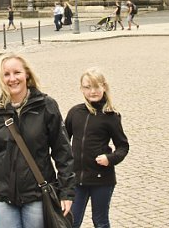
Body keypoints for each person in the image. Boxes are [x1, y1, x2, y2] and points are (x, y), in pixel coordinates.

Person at [0, 53, 75, 227]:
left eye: (17, 73)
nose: (12, 79)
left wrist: (67, 191)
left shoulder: (46, 106)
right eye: (6, 74)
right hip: (2, 197)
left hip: (37, 194)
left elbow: (63, 151)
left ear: (27, 74)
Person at [65, 68, 130, 228]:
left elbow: (123, 146)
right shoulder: (75, 112)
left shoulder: (111, 116)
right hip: (77, 179)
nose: (92, 91)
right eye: (87, 87)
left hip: (102, 179)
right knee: (71, 222)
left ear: (104, 87)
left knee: (100, 222)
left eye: (96, 86)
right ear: (81, 89)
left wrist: (110, 159)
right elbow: (63, 140)